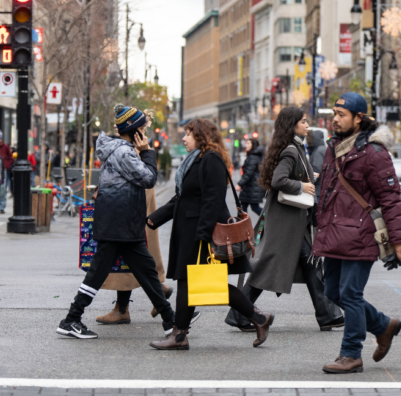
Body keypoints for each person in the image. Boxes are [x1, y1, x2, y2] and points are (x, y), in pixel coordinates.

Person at [148, 118, 270, 350]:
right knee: (199, 284)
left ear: (202, 136)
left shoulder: (211, 159)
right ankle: (259, 318)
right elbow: (183, 198)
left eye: (188, 134)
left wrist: (203, 236)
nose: (184, 138)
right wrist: (154, 218)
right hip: (190, 231)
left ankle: (179, 335)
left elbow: (213, 200)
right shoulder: (196, 160)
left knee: (192, 283)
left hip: (201, 234)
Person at [58, 104, 175, 341]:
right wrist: (147, 153)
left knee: (147, 273)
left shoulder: (118, 149)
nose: (145, 133)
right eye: (142, 129)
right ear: (134, 131)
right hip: (119, 223)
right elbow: (149, 178)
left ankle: (171, 322)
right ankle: (71, 319)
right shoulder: (124, 152)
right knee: (100, 274)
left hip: (122, 222)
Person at [312, 93, 401, 374]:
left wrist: (400, 238)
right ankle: (382, 325)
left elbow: (391, 198)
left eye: (341, 115)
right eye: (334, 114)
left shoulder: (374, 153)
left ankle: (351, 354)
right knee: (332, 291)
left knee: (350, 294)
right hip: (334, 233)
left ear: (359, 119)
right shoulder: (334, 147)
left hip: (362, 233)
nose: (335, 120)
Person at [226, 109, 343, 333]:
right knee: (268, 266)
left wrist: (310, 177)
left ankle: (326, 315)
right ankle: (239, 314)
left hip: (293, 223)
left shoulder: (293, 146)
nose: (307, 125)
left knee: (311, 264)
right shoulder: (291, 150)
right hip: (285, 223)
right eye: (303, 122)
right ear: (292, 125)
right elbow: (280, 180)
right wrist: (302, 186)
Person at [95, 109, 173, 327]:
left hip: (132, 209)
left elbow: (148, 179)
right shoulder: (130, 150)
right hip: (133, 207)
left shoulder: (132, 152)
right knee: (135, 257)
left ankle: (124, 308)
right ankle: (156, 293)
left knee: (130, 256)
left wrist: (146, 151)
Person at [235, 137, 266, 215]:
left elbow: (248, 173)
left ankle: (268, 219)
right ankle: (241, 226)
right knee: (244, 208)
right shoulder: (254, 156)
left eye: (248, 143)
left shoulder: (253, 157)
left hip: (252, 187)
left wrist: (239, 184)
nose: (246, 145)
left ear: (253, 145)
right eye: (246, 143)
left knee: (250, 208)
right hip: (250, 187)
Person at [0, 131, 13, 195]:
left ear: (0, 139)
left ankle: (2, 204)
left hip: (3, 170)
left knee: (2, 187)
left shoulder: (5, 147)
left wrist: (6, 165)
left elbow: (11, 157)